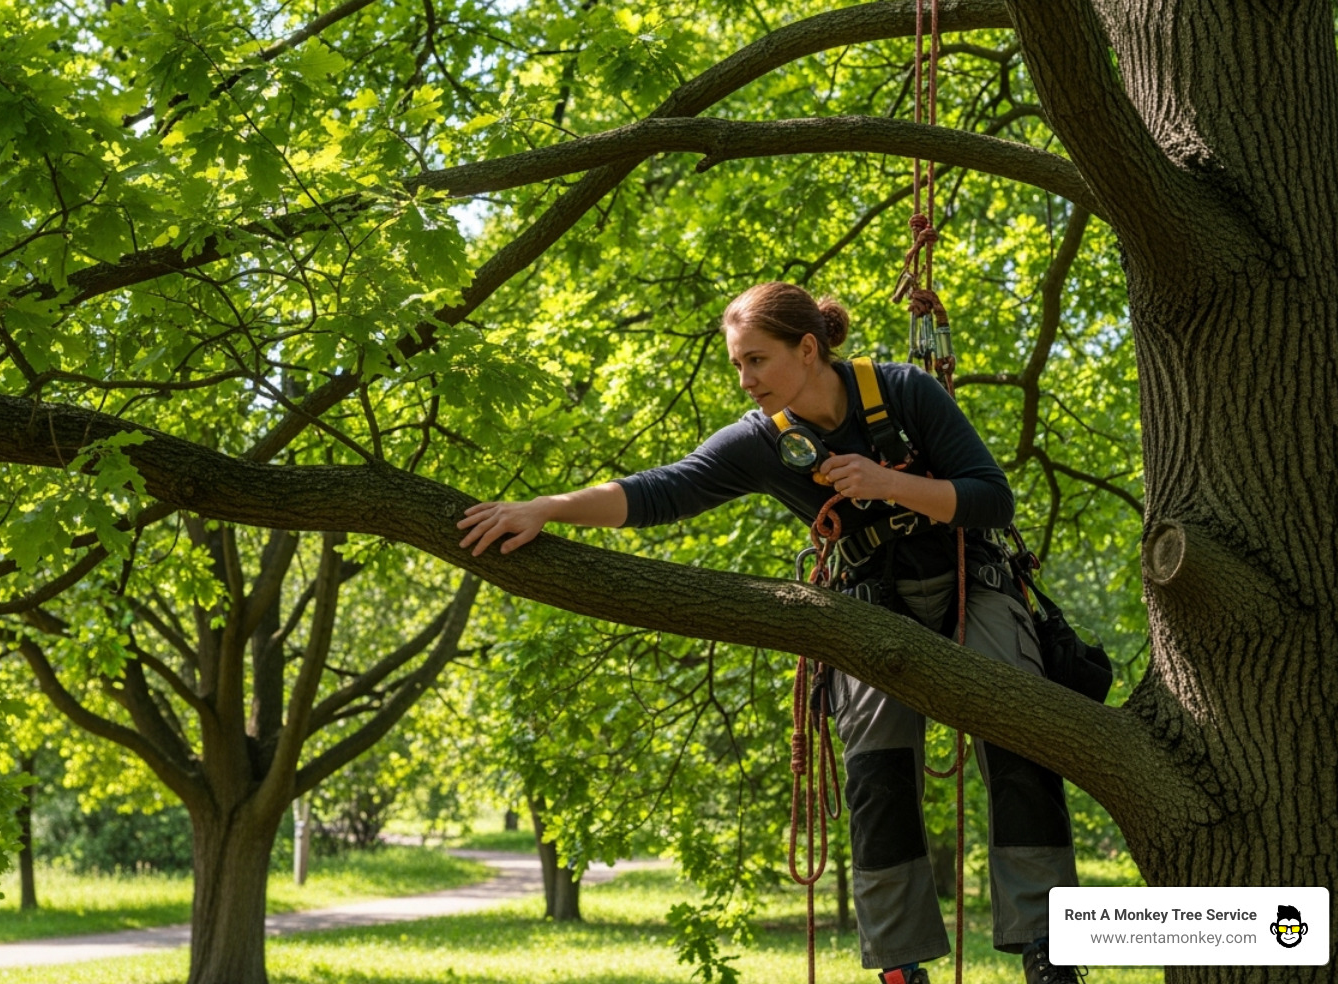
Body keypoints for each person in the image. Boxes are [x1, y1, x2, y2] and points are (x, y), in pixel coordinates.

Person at [457, 281, 1084, 984]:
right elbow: (662, 489)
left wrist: (889, 482)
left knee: (1019, 735)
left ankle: (1047, 949)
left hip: (973, 583)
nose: (745, 380)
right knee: (875, 771)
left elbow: (992, 496)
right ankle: (901, 967)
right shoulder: (762, 441)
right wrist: (547, 506)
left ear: (808, 349)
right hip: (873, 605)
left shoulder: (905, 392)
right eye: (736, 365)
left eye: (756, 360)